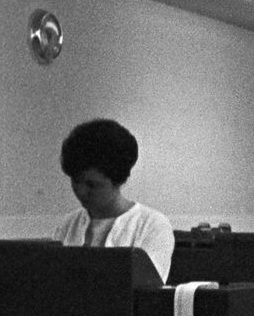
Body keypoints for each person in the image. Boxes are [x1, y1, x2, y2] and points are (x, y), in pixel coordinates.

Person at [51, 118, 174, 281]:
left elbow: (146, 291)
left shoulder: (152, 225)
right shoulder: (68, 225)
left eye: (91, 184)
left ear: (118, 180)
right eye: (75, 180)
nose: (80, 191)